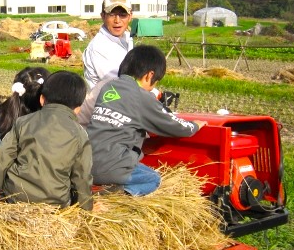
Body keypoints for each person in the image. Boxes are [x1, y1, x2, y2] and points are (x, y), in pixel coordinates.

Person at [86, 45, 206, 196]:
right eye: (156, 81)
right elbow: (175, 126)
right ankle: (117, 194)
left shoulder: (109, 87)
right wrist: (195, 125)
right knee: (152, 179)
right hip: (111, 168)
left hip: (86, 163)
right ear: (150, 75)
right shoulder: (142, 96)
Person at [0, 71, 93, 211]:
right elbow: (82, 175)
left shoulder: (23, 122)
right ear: (78, 109)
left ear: (42, 99)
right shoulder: (80, 134)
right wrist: (86, 206)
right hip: (54, 203)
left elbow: (2, 158)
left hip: (15, 196)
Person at [82, 0, 134, 89]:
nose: (117, 21)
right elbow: (118, 84)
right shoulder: (99, 46)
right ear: (103, 16)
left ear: (130, 16)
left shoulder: (127, 38)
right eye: (112, 14)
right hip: (108, 97)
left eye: (123, 14)